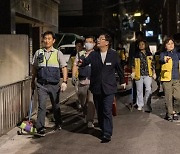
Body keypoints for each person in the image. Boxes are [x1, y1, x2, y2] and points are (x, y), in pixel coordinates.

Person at [79, 33, 126, 143]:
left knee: (107, 110)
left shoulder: (113, 55)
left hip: (109, 88)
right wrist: (81, 62)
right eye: (98, 39)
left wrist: (123, 81)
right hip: (96, 87)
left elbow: (119, 69)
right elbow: (85, 62)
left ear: (107, 42)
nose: (98, 40)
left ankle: (107, 133)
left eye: (101, 39)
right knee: (100, 110)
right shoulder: (94, 54)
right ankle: (103, 126)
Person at [31, 31, 68, 136]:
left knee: (55, 106)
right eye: (45, 38)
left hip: (54, 84)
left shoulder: (57, 53)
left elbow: (64, 67)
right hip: (41, 84)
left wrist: (64, 81)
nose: (46, 41)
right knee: (42, 106)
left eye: (49, 39)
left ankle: (58, 122)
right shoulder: (38, 53)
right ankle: (40, 127)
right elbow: (35, 67)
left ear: (53, 41)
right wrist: (32, 80)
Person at [72, 36, 96, 128]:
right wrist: (74, 76)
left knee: (91, 101)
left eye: (90, 42)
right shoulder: (80, 54)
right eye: (86, 42)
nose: (88, 43)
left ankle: (90, 120)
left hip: (93, 82)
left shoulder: (96, 54)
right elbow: (75, 65)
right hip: (82, 81)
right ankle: (85, 113)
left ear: (94, 43)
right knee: (82, 101)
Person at [131, 40, 156, 112]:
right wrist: (133, 72)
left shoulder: (149, 54)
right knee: (139, 90)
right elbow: (133, 65)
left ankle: (148, 105)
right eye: (139, 44)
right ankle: (140, 105)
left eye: (142, 44)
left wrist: (154, 73)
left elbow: (152, 64)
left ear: (146, 45)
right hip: (138, 74)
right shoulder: (136, 54)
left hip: (148, 74)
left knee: (148, 89)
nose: (141, 45)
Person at [159, 37, 180, 121]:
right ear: (165, 46)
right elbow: (161, 60)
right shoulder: (163, 54)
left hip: (176, 78)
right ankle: (171, 113)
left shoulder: (177, 53)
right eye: (168, 44)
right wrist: (165, 59)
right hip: (166, 78)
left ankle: (174, 110)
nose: (171, 45)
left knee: (178, 96)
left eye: (172, 43)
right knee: (168, 97)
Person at [128, 31, 145, 105]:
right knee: (135, 83)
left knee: (144, 83)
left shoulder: (145, 44)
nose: (138, 38)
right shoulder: (133, 44)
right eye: (137, 36)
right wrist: (130, 65)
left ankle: (141, 98)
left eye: (140, 36)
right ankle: (135, 99)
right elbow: (130, 55)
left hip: (144, 67)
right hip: (135, 66)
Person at [67, 39, 84, 110]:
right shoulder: (73, 54)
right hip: (76, 76)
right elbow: (69, 65)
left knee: (82, 92)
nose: (79, 47)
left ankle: (82, 103)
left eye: (80, 46)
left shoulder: (84, 54)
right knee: (77, 91)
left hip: (83, 76)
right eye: (77, 46)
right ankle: (80, 103)